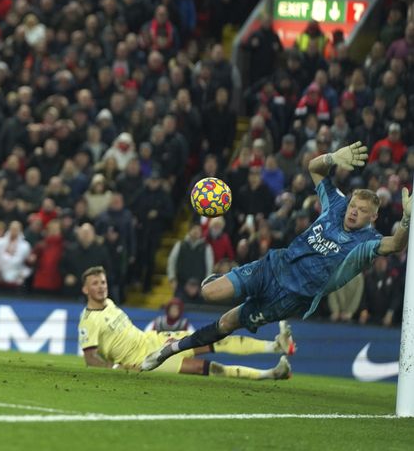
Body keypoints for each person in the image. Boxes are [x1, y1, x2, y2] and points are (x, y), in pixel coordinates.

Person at [142, 141, 412, 371]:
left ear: (373, 216)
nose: (353, 211)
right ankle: (222, 282)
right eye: (354, 205)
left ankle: (170, 350)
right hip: (273, 266)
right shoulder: (337, 205)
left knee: (227, 323)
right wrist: (333, 158)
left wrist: (406, 221)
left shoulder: (367, 242)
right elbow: (314, 168)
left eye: (362, 210)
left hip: (292, 298)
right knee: (209, 293)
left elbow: (396, 245)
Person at [79, 266, 293, 380]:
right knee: (209, 367)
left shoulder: (109, 303)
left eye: (103, 282)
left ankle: (275, 346)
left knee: (217, 340)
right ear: (85, 289)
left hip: (154, 340)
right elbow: (90, 359)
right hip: (143, 360)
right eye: (95, 283)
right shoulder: (89, 321)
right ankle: (271, 374)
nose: (101, 287)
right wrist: (118, 368)